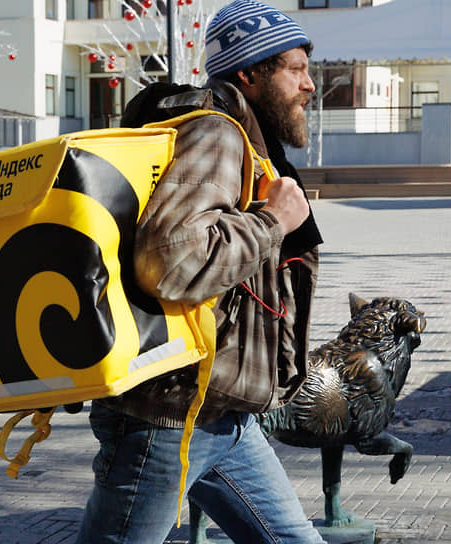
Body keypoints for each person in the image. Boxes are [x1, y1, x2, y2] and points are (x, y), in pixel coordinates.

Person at [76, 1, 325, 542]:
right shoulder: (217, 132)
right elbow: (172, 264)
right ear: (249, 73)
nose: (309, 84)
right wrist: (272, 221)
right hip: (164, 422)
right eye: (295, 68)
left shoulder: (254, 144)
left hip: (223, 417)